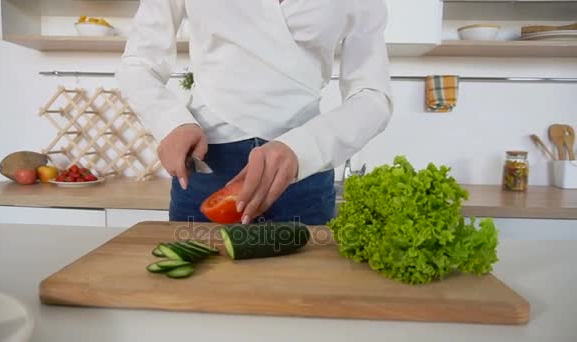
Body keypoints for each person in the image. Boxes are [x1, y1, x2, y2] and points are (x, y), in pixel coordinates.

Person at [116, 0, 393, 225]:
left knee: (302, 291)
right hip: (207, 169)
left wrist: (305, 149)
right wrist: (171, 123)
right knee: (194, 293)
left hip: (303, 171)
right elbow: (138, 63)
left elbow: (373, 94)